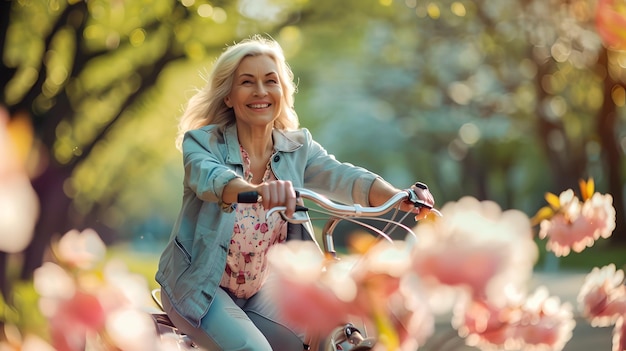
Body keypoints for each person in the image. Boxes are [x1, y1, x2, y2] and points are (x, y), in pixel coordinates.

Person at [155, 34, 435, 351]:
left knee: (335, 327)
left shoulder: (296, 148)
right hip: (200, 287)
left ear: (282, 92)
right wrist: (256, 191)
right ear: (229, 96)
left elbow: (347, 178)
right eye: (247, 82)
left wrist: (401, 197)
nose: (260, 91)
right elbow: (211, 178)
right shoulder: (204, 143)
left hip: (261, 288)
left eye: (270, 81)